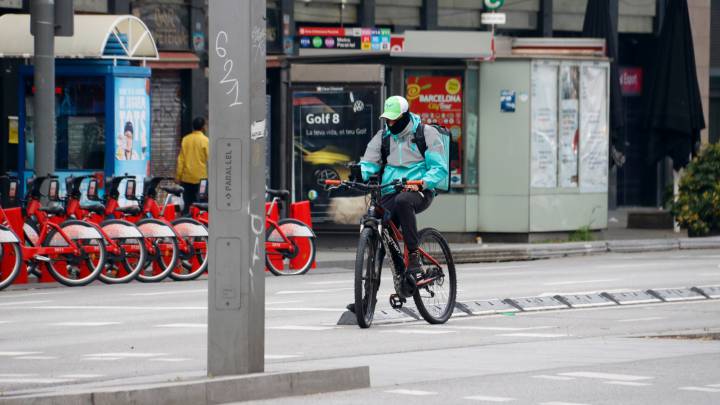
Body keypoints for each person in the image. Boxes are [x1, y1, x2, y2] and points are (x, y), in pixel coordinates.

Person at [346, 96, 448, 313]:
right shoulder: (383, 136)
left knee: (403, 202)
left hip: (419, 190)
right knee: (378, 229)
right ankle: (368, 300)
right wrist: (359, 173)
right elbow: (370, 162)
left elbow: (439, 168)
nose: (391, 124)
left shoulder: (426, 133)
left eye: (395, 120)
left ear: (405, 115)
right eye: (388, 120)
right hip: (390, 189)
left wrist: (423, 182)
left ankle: (413, 257)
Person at [176, 117, 209, 215]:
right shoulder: (206, 141)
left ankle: (186, 224)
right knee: (201, 204)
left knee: (187, 205)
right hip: (201, 180)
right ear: (203, 127)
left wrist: (178, 177)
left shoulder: (186, 140)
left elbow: (180, 160)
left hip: (186, 179)